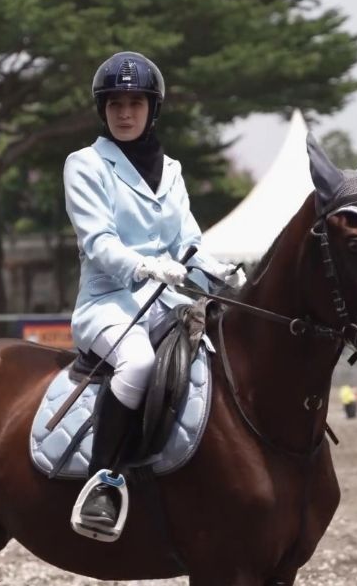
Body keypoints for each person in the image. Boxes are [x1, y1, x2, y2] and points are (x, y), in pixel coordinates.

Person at [65, 51, 243, 533]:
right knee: (139, 362)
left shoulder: (173, 170)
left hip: (169, 302)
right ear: (103, 109)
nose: (125, 113)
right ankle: (103, 482)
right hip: (108, 304)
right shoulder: (85, 165)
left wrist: (222, 272)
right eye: (116, 103)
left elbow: (189, 244)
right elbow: (97, 241)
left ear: (151, 109)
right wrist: (145, 266)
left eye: (136, 103)